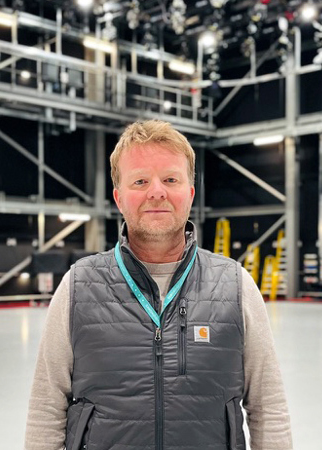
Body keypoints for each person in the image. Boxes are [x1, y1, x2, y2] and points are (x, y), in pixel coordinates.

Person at [25, 120, 292, 450]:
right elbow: (46, 412)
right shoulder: (77, 287)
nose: (156, 191)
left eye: (170, 179)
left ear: (190, 194)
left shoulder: (236, 286)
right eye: (140, 180)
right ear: (119, 198)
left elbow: (269, 410)